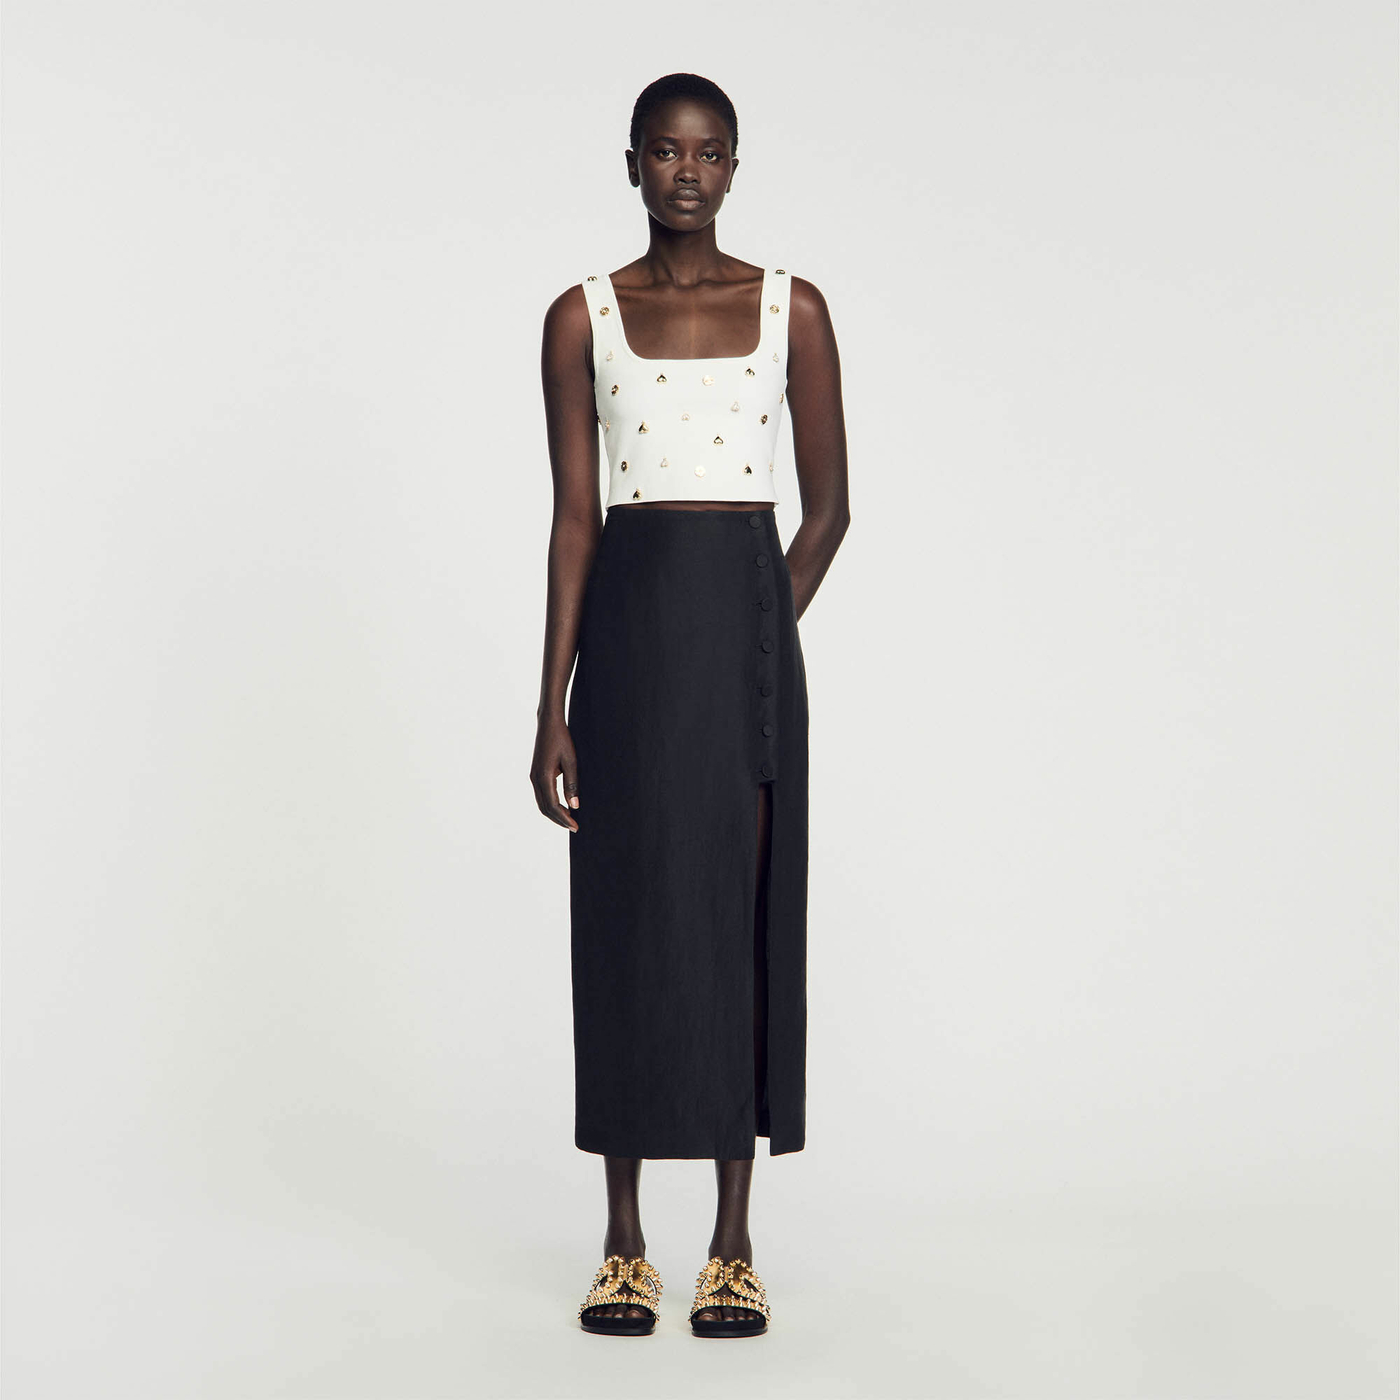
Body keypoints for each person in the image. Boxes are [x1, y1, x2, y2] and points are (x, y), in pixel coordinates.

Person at [532, 71, 849, 1339]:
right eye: (663, 152)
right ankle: (622, 1241)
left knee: (735, 918)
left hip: (745, 663)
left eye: (708, 153)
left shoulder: (791, 308)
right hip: (624, 650)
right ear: (630, 164)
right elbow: (573, 518)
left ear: (733, 167)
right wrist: (553, 702)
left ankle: (731, 1241)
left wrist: (754, 634)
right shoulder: (581, 315)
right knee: (624, 918)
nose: (685, 173)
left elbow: (827, 510)